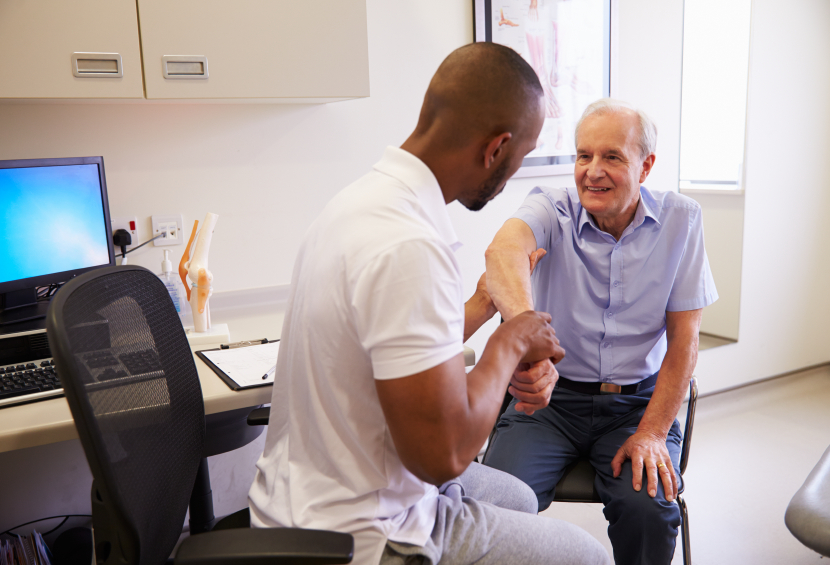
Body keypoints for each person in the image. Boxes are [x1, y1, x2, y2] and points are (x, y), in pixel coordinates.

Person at [248, 43, 610, 565]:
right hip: (363, 532)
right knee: (588, 557)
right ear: (495, 148)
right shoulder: (411, 245)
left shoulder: (359, 202)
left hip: (299, 491)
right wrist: (508, 344)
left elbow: (394, 352)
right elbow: (444, 455)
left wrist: (485, 305)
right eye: (521, 157)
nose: (513, 175)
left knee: (521, 497)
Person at [482, 98, 718, 565]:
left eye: (612, 157)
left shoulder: (681, 220)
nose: (592, 171)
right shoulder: (550, 208)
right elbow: (501, 254)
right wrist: (532, 349)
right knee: (490, 507)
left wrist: (652, 432)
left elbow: (684, 342)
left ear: (645, 166)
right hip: (550, 404)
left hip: (637, 406)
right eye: (583, 155)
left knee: (648, 509)